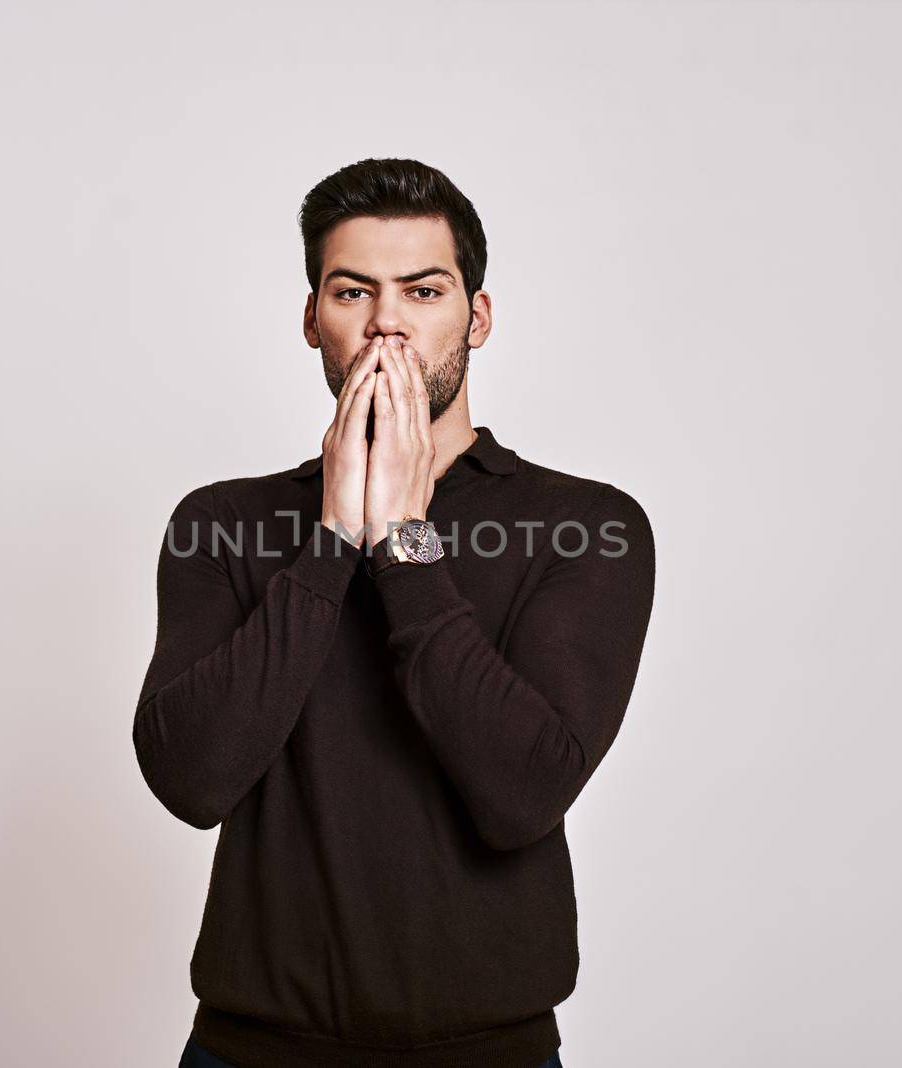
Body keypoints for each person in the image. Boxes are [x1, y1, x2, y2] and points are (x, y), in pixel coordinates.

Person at [135, 157, 655, 1067]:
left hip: (488, 1054)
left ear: (476, 317)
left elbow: (524, 792)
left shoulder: (585, 527)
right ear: (312, 320)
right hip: (251, 1052)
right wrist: (334, 537)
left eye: (422, 290)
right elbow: (191, 777)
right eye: (352, 292)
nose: (386, 322)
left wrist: (405, 541)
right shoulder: (220, 523)